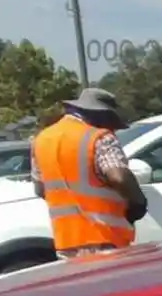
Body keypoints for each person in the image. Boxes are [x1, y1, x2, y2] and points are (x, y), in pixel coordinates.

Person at [31, 87, 147, 258]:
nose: (113, 130)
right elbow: (119, 177)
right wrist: (138, 203)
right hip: (105, 238)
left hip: (66, 242)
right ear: (101, 115)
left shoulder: (41, 140)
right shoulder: (100, 137)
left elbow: (40, 189)